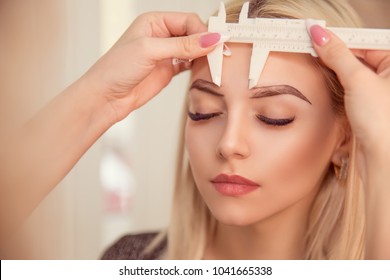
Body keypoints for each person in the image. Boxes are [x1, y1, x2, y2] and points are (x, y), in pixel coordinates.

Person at [1, 0, 389, 259]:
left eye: (274, 117)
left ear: (346, 137)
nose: (229, 144)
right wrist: (98, 96)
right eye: (203, 112)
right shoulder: (133, 261)